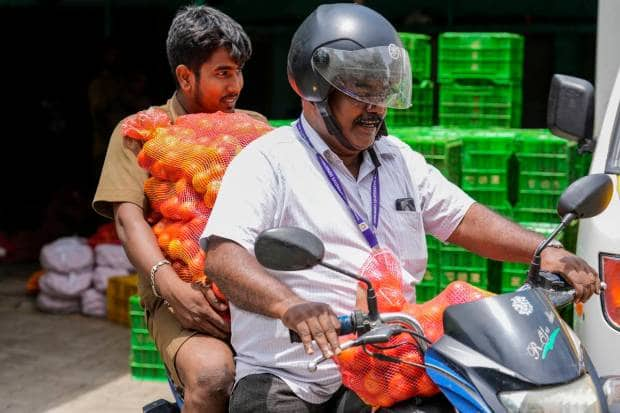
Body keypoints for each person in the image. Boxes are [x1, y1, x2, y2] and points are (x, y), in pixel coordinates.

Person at [200, 3, 600, 412]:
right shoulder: (269, 161)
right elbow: (223, 255)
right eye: (361, 90)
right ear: (312, 86)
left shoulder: (397, 159)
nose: (375, 106)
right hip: (293, 377)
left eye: (382, 89)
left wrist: (544, 251)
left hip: (389, 367)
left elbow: (464, 218)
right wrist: (290, 307)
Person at [92, 5, 266, 412]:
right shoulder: (143, 131)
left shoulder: (253, 127)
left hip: (250, 289)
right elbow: (126, 218)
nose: (236, 85)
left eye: (239, 71)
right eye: (223, 72)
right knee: (213, 375)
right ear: (186, 76)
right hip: (181, 295)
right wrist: (170, 286)